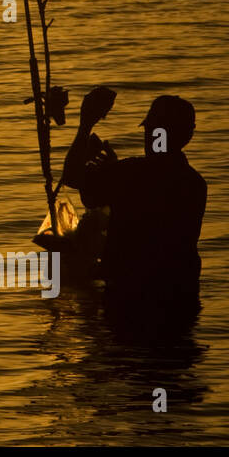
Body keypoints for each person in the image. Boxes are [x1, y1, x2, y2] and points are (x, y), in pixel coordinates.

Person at [61, 90, 207, 316]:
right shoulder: (195, 184)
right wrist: (112, 170)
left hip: (130, 301)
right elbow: (151, 196)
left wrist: (85, 125)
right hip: (181, 300)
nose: (149, 136)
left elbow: (73, 178)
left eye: (152, 130)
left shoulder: (131, 174)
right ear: (188, 135)